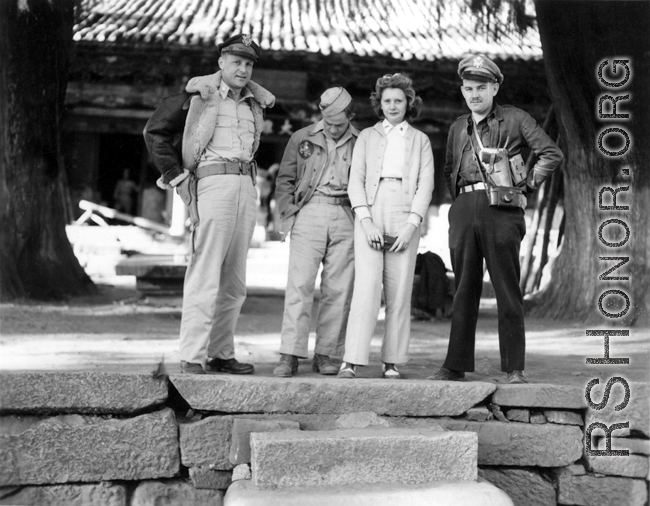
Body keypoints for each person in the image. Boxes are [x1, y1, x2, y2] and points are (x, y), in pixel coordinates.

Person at [143, 34, 275, 374]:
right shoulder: (197, 96)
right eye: (236, 62)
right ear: (221, 62)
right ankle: (192, 356)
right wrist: (176, 176)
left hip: (246, 186)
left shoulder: (252, 102)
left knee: (234, 280)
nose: (243, 69)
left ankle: (221, 352)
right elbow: (155, 132)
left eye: (248, 63)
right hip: (212, 185)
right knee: (205, 272)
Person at [430, 54, 563, 384]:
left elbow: (551, 153)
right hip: (464, 208)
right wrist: (460, 201)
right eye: (469, 88)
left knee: (506, 288)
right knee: (463, 289)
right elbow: (449, 168)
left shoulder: (516, 119)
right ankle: (455, 365)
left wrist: (527, 185)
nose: (474, 95)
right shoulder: (458, 127)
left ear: (494, 88)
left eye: (481, 88)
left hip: (502, 211)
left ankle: (514, 368)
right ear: (463, 91)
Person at [338, 74, 434, 379]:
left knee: (400, 290)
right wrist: (365, 220)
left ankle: (392, 360)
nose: (392, 106)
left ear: (409, 104)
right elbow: (355, 180)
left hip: (405, 212)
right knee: (366, 289)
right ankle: (351, 359)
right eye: (387, 100)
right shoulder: (367, 136)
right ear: (379, 104)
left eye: (399, 100)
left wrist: (411, 225)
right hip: (371, 207)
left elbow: (426, 185)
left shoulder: (421, 140)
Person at [273, 87, 359, 377]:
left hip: (346, 213)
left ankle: (327, 353)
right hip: (309, 211)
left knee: (339, 289)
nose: (333, 129)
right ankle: (290, 354)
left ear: (351, 116)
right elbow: (285, 179)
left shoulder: (363, 141)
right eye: (328, 122)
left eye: (339, 124)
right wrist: (288, 215)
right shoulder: (302, 137)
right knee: (299, 285)